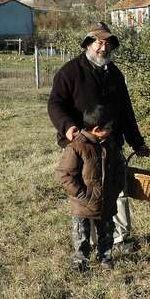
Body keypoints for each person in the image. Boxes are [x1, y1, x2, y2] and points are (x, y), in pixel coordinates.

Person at [48, 21, 150, 253]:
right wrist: (68, 127)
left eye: (108, 44)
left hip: (112, 144)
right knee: (86, 192)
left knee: (118, 191)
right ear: (88, 44)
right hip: (82, 144)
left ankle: (120, 239)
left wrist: (137, 142)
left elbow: (126, 112)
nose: (104, 48)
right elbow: (55, 103)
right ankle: (91, 242)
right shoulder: (70, 71)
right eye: (99, 43)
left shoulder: (115, 74)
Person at [55, 105, 124, 271]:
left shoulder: (110, 145)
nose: (111, 130)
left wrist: (116, 188)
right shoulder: (76, 147)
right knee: (81, 234)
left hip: (106, 200)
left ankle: (105, 258)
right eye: (108, 128)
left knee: (107, 232)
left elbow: (118, 169)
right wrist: (81, 195)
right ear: (96, 129)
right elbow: (65, 174)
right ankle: (80, 261)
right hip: (83, 204)